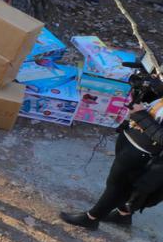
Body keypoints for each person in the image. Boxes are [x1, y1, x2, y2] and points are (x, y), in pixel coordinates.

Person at [61, 84, 163, 229]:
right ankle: (123, 215)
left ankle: (91, 219)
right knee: (120, 184)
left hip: (142, 153)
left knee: (116, 186)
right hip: (131, 138)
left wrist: (141, 116)